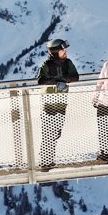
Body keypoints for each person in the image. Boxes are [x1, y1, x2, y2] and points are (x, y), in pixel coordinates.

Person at [35, 39, 79, 171]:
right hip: (49, 104)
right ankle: (45, 161)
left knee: (56, 132)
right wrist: (56, 81)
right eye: (62, 50)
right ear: (54, 52)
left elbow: (75, 77)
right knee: (48, 132)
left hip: (61, 104)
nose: (65, 52)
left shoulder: (68, 63)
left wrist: (65, 80)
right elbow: (41, 80)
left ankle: (48, 159)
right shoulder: (46, 65)